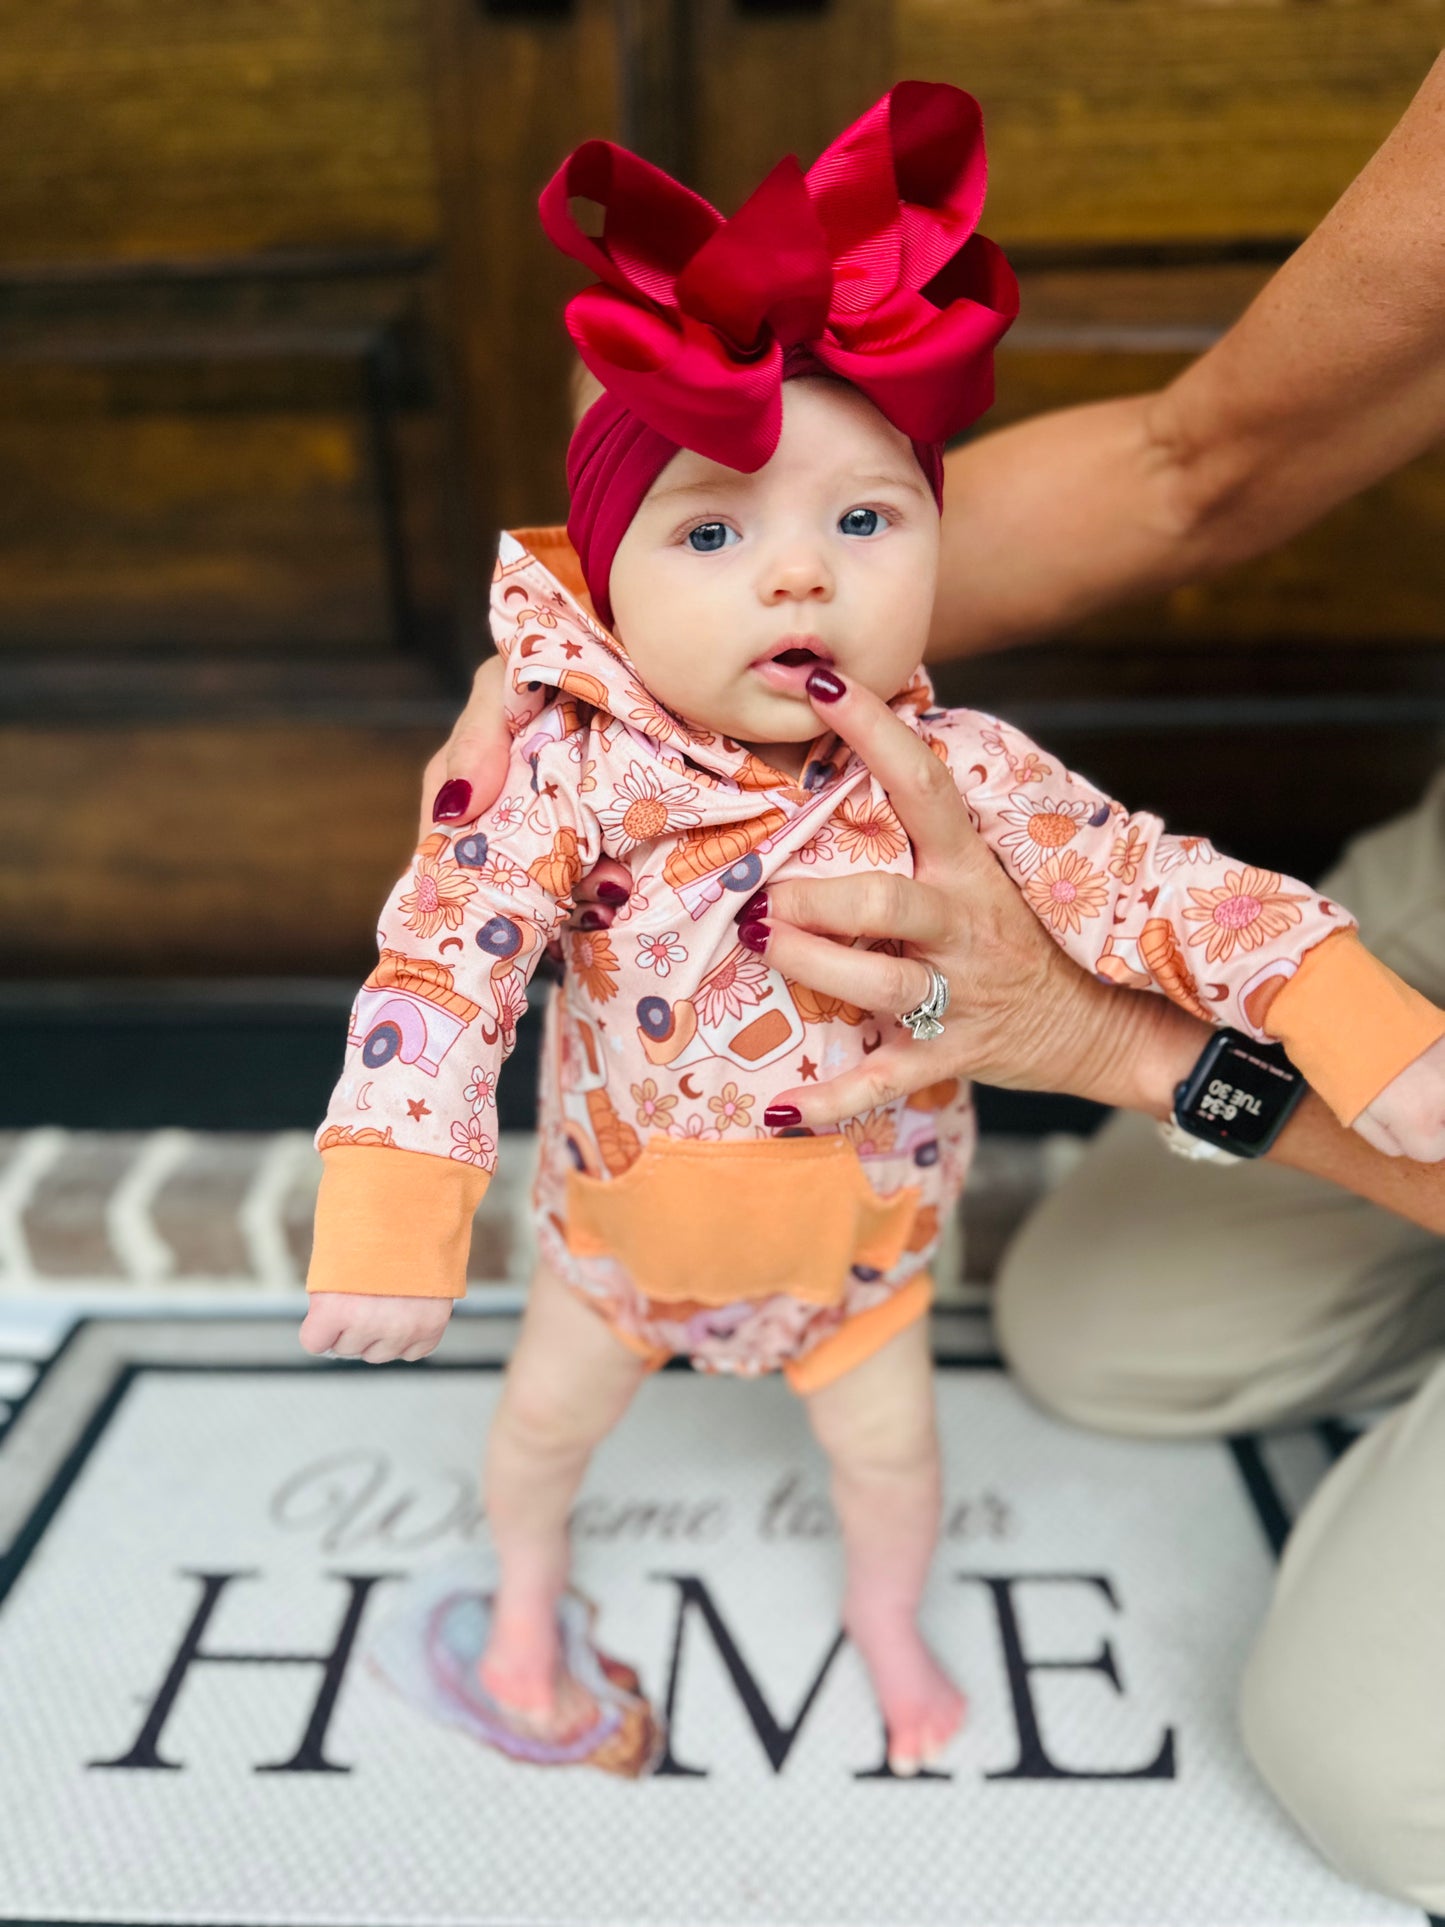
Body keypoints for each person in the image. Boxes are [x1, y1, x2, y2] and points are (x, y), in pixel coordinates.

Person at [299, 80, 1445, 1795]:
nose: (799, 580)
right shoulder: (570, 777)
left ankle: (888, 1619)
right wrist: (390, 1218)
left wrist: (1362, 1025)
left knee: (891, 1464)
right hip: (616, 1247)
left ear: (927, 550)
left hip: (858, 1263)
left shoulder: (962, 771)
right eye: (711, 531)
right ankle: (525, 1600)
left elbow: (1163, 889)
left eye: (862, 522)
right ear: (600, 590)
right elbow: (442, 967)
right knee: (539, 1433)